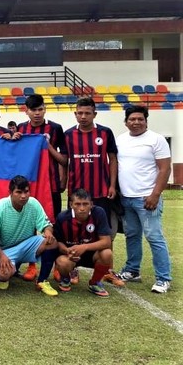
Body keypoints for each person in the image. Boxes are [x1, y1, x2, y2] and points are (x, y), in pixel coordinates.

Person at [60, 97, 121, 286]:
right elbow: (64, 161)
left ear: (95, 114)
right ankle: (73, 267)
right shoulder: (68, 135)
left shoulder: (105, 132)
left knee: (105, 232)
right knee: (72, 231)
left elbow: (112, 159)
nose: (83, 116)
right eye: (80, 113)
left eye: (87, 113)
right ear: (75, 114)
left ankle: (107, 269)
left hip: (100, 191)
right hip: (76, 193)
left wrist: (112, 185)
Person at [115, 106, 173, 293]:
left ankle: (163, 278)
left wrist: (155, 194)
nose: (136, 122)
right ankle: (132, 270)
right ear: (126, 122)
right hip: (127, 198)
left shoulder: (156, 139)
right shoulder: (120, 140)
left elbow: (165, 169)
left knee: (154, 237)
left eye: (140, 119)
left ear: (146, 121)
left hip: (146, 198)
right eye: (132, 119)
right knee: (132, 235)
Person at [16, 94, 66, 281]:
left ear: (44, 109)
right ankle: (31, 266)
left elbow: (63, 159)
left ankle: (55, 266)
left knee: (52, 226)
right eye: (33, 110)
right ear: (26, 111)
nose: (37, 113)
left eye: (40, 109)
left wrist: (48, 146)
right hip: (27, 186)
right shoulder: (21, 128)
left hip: (50, 186)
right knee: (28, 226)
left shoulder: (55, 128)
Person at [0, 175, 59, 296]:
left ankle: (42, 281)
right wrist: (1, 256)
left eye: (26, 192)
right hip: (5, 251)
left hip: (26, 245)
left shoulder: (34, 203)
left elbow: (46, 224)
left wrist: (48, 231)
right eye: (19, 192)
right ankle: (8, 272)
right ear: (10, 192)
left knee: (51, 242)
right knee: (3, 275)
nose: (23, 196)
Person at [54, 189, 113, 297]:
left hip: (92, 254)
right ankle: (66, 278)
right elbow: (58, 243)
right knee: (62, 262)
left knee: (107, 253)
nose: (81, 208)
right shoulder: (62, 218)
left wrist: (84, 247)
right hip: (71, 255)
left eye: (85, 204)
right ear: (71, 204)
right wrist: (67, 251)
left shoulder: (98, 213)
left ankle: (95, 283)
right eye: (78, 204)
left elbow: (106, 242)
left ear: (91, 204)